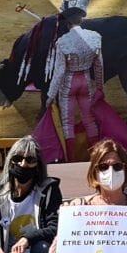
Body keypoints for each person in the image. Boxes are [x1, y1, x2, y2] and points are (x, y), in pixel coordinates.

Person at [0, 137, 60, 253]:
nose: (23, 164)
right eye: (17, 158)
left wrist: (28, 239)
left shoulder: (49, 190)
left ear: (38, 165)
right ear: (10, 162)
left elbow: (55, 228)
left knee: (43, 247)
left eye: (30, 160)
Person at [47, 9, 104, 155]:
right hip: (86, 81)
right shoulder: (95, 37)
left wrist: (50, 96)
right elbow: (99, 66)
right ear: (81, 20)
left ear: (67, 23)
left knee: (67, 123)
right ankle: (97, 156)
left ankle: (71, 160)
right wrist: (99, 88)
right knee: (89, 120)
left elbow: (59, 71)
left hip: (69, 83)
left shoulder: (62, 42)